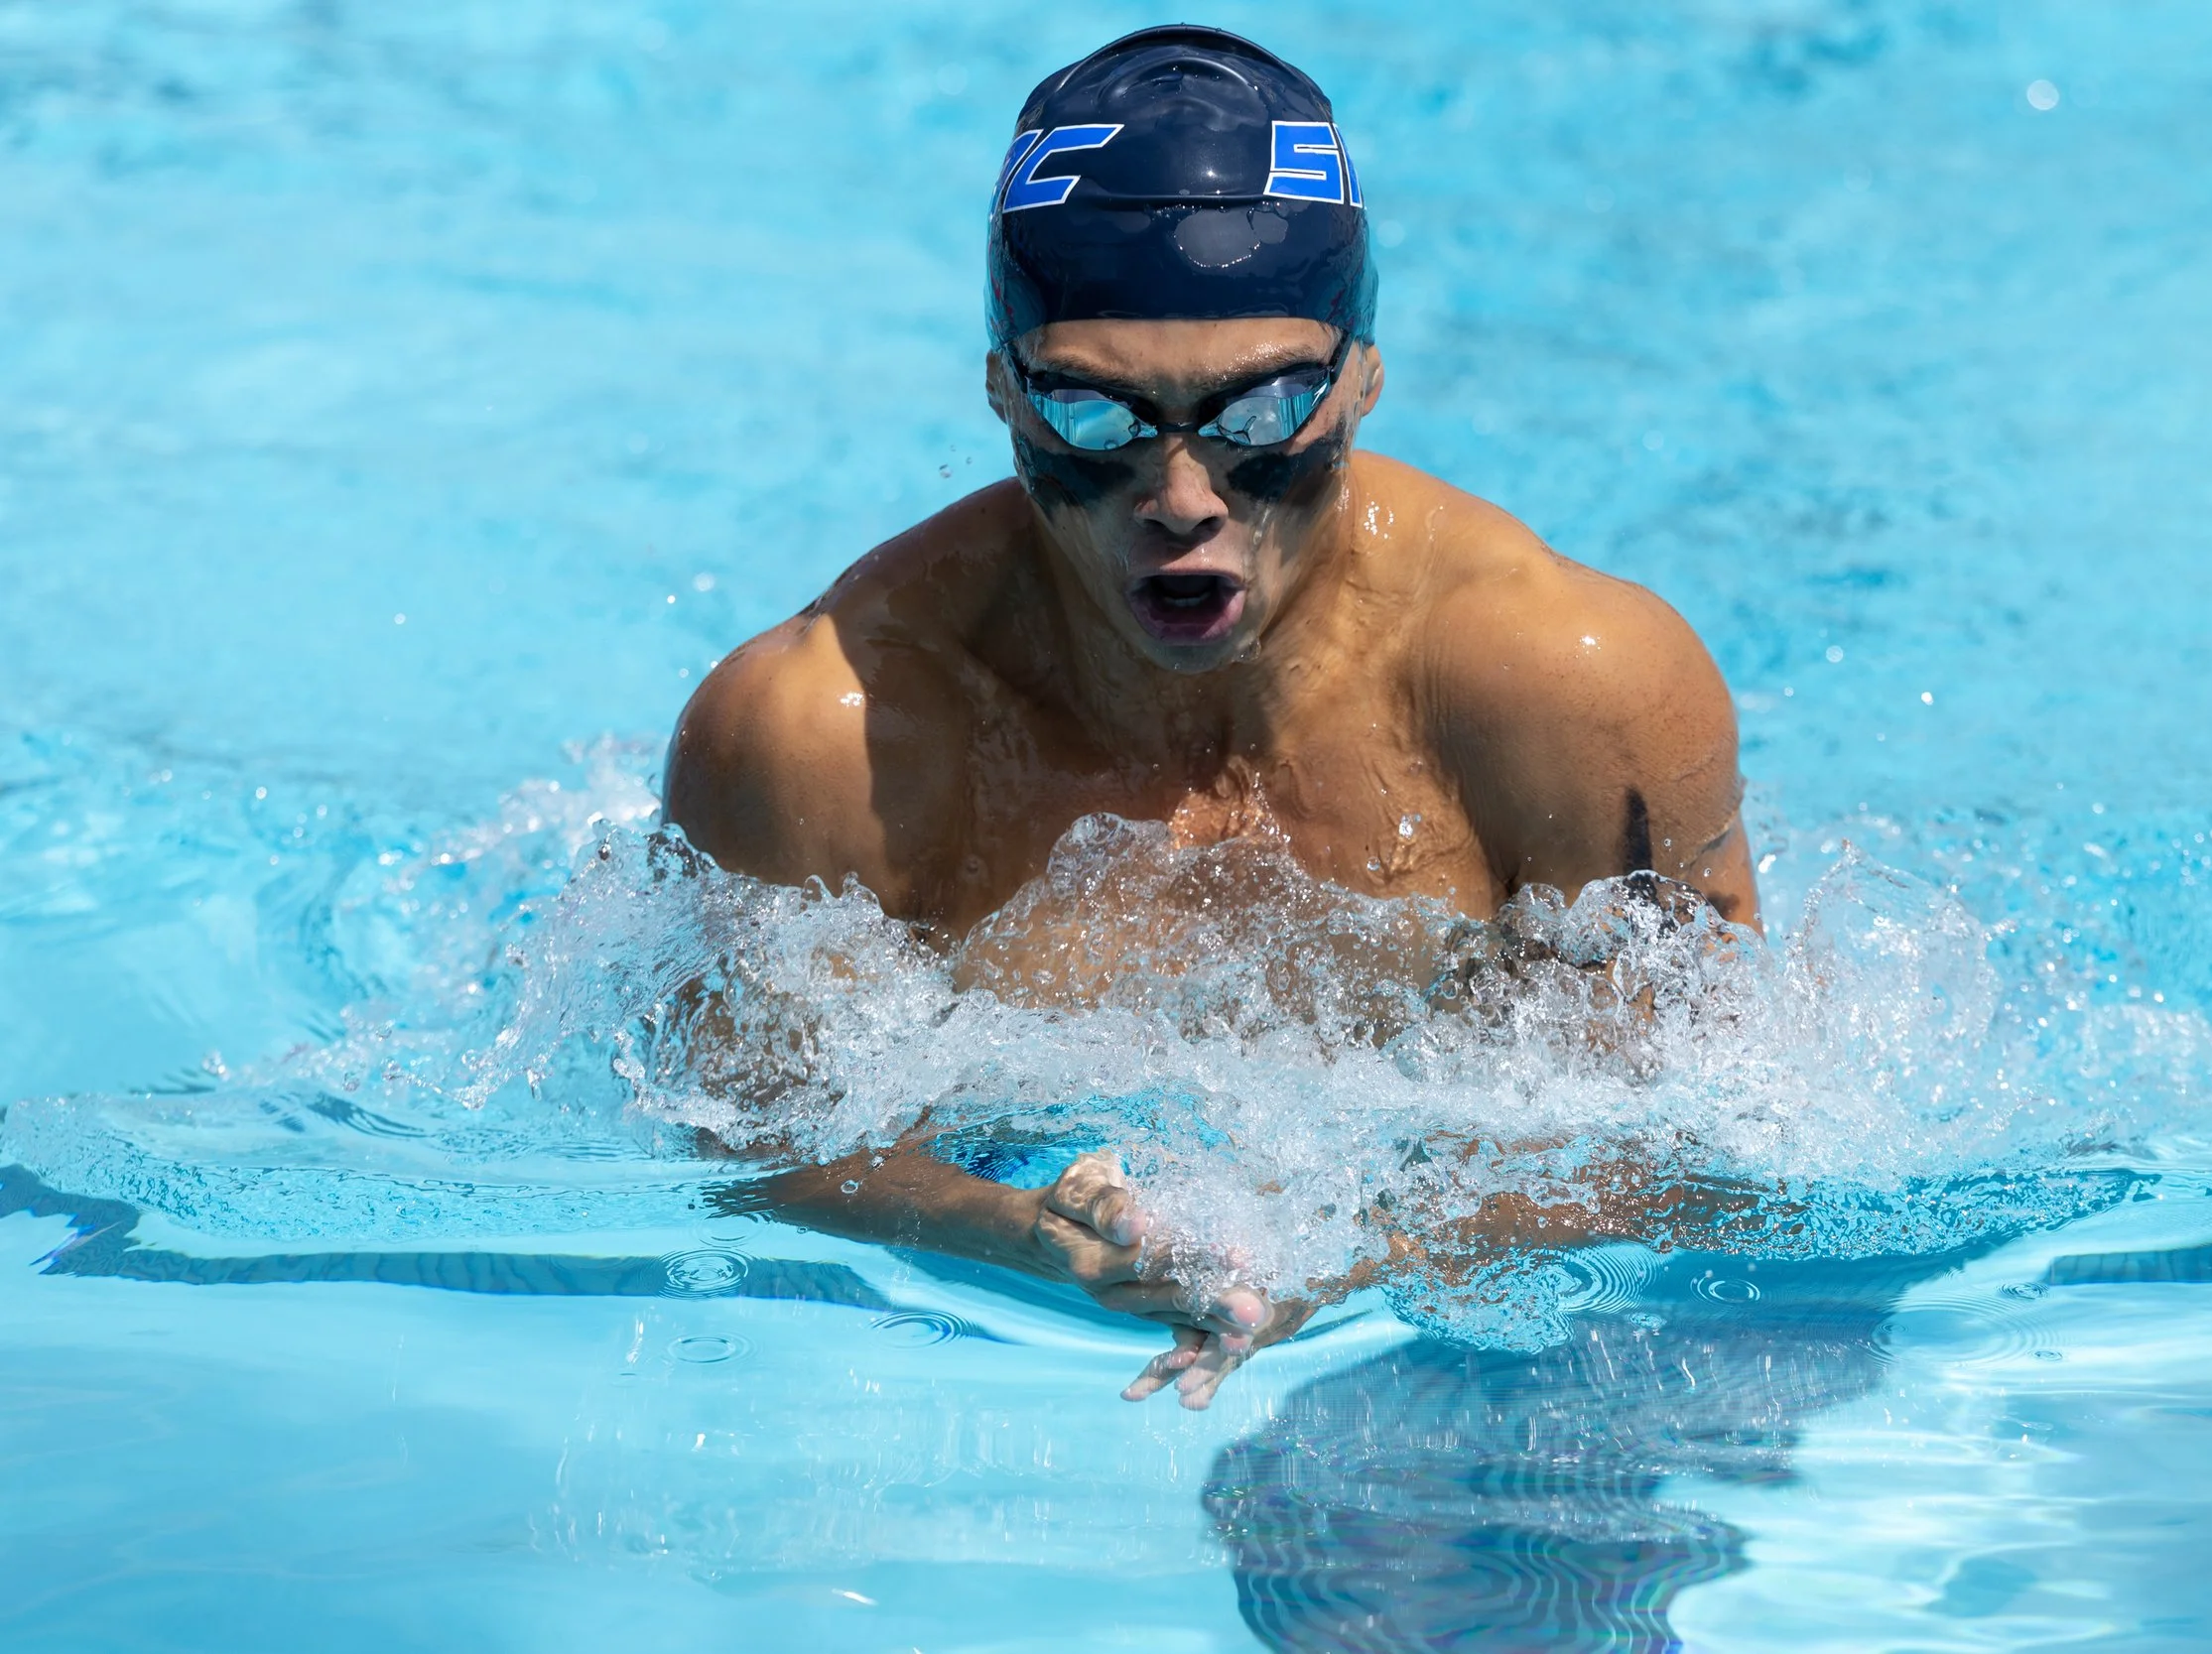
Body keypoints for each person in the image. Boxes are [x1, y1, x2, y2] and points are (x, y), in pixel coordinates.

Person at [663, 25, 1757, 1408]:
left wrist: (1360, 1257)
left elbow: (1699, 1141)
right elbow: (753, 1151)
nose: (1183, 494)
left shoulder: (1567, 690)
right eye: (1094, 411)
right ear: (1000, 385)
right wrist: (1027, 1237)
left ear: (1363, 372)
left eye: (1266, 403)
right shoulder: (823, 735)